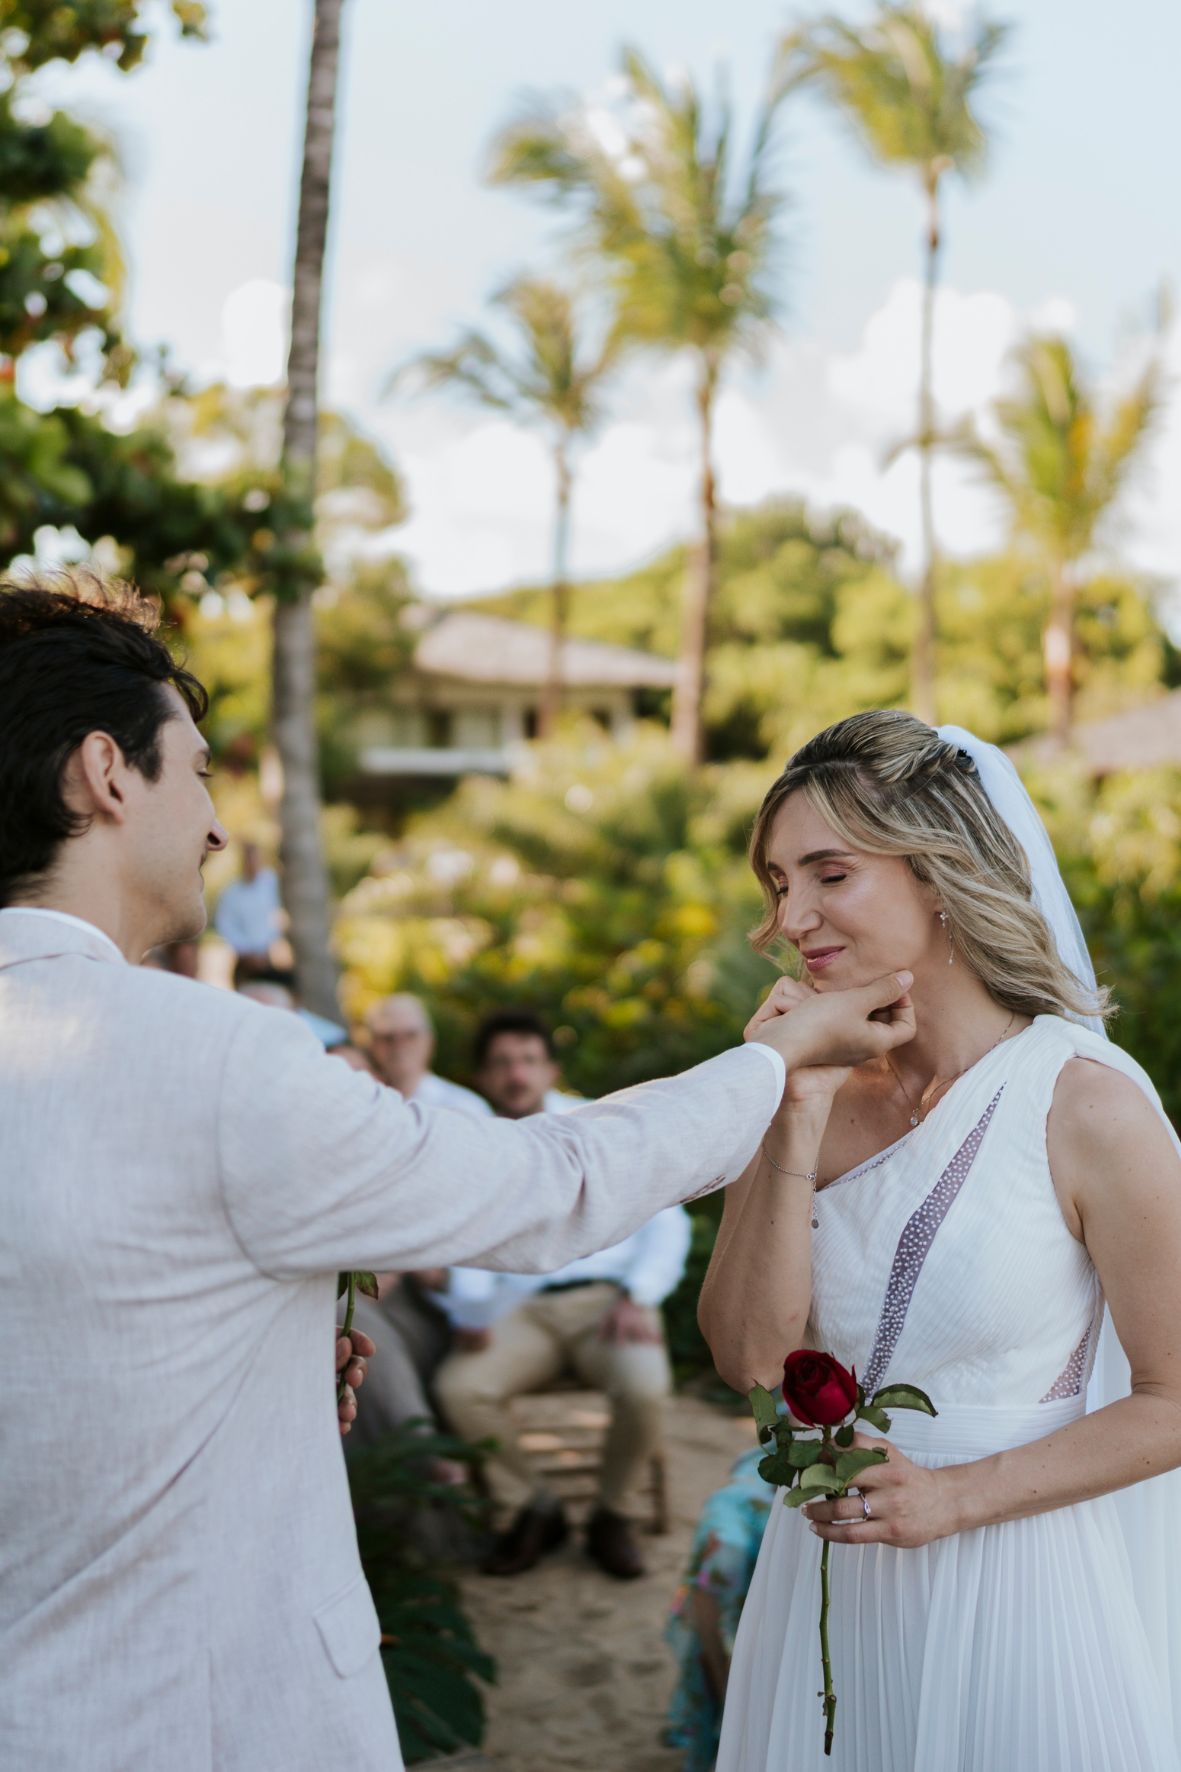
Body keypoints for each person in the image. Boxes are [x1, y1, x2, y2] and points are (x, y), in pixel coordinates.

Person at [0, 577, 917, 1772]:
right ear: (105, 772)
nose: (218, 824)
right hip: (190, 1710)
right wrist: (775, 1060)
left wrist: (262, 1357)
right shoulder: (219, 1056)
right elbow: (547, 1181)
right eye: (201, 769)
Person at [701, 711, 1181, 1772]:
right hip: (827, 1581)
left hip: (1019, 1580)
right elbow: (749, 1360)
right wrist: (791, 1104)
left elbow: (1174, 1396)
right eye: (778, 883)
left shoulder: (1084, 1107)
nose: (792, 916)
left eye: (829, 872)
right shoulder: (794, 1088)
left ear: (934, 872)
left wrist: (953, 1496)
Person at [436, 1010, 689, 1579]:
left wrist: (639, 1294)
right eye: (501, 1064)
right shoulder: (474, 1144)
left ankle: (611, 1514)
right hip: (519, 1308)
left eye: (527, 1060)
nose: (516, 1074)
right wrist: (471, 1309)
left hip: (606, 1302)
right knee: (460, 1388)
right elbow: (466, 1237)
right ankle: (533, 1508)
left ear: (549, 1068)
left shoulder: (597, 1124)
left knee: (645, 1388)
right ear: (482, 1077)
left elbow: (665, 1218)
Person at [664, 1445, 773, 1772]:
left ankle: (746, 1714)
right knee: (721, 1549)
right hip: (778, 1451)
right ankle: (725, 1697)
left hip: (863, 1460)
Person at [364, 992, 492, 1117]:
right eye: (388, 1037)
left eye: (410, 1035)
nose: (399, 1045)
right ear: (372, 1045)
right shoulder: (364, 1105)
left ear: (430, 1041)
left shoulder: (467, 1107)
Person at [214, 837, 283, 982]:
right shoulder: (231, 892)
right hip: (244, 959)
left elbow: (277, 917)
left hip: (267, 956)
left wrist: (266, 947)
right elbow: (226, 924)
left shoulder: (271, 883)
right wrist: (246, 951)